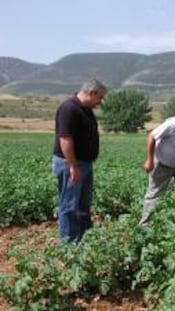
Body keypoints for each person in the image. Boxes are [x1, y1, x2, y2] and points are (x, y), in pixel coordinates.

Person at [52, 78, 107, 243]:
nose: (100, 102)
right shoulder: (69, 109)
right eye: (100, 98)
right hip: (71, 164)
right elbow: (65, 139)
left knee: (83, 205)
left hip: (84, 164)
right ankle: (69, 246)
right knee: (69, 206)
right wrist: (73, 165)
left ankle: (84, 240)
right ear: (91, 93)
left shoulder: (85, 109)